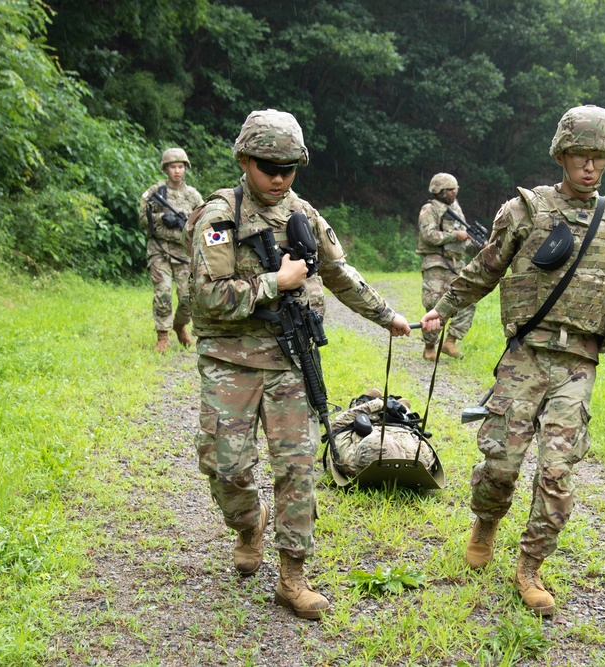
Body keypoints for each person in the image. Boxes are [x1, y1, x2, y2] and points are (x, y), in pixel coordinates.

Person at [185, 109, 411, 620]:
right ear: (244, 160)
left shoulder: (303, 215)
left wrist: (386, 315)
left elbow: (338, 272)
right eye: (268, 166)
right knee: (226, 468)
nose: (280, 177)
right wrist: (275, 283)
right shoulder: (219, 218)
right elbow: (204, 298)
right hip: (230, 359)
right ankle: (249, 523)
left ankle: (292, 576)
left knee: (297, 466)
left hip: (290, 359)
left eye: (289, 167)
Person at [420, 105, 605, 616]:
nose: (590, 168)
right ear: (562, 155)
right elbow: (484, 268)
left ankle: (530, 567)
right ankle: (486, 520)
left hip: (579, 361)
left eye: (600, 158)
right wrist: (441, 309)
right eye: (581, 156)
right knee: (501, 461)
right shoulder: (525, 211)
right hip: (527, 355)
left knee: (557, 471)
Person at [139, 148, 203, 353]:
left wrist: (184, 223)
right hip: (160, 250)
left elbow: (204, 221)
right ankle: (163, 336)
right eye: (173, 167)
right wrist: (161, 220)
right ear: (166, 169)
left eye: (180, 166)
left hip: (183, 252)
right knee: (163, 292)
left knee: (188, 297)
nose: (177, 171)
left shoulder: (192, 196)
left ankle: (179, 325)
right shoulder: (156, 193)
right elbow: (143, 220)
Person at [416, 173, 481, 360]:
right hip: (436, 263)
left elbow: (462, 241)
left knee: (467, 300)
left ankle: (450, 340)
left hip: (456, 264)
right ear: (439, 191)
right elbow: (429, 235)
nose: (454, 192)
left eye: (455, 189)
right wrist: (455, 235)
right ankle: (429, 346)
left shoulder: (456, 209)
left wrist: (475, 243)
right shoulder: (429, 209)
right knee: (435, 304)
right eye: (450, 190)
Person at [329, 391, 435, 479]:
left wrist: (378, 404)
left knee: (364, 408)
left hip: (369, 422)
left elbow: (338, 425)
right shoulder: (419, 463)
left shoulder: (349, 462)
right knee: (402, 411)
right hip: (398, 425)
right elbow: (419, 438)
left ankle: (369, 400)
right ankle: (403, 406)